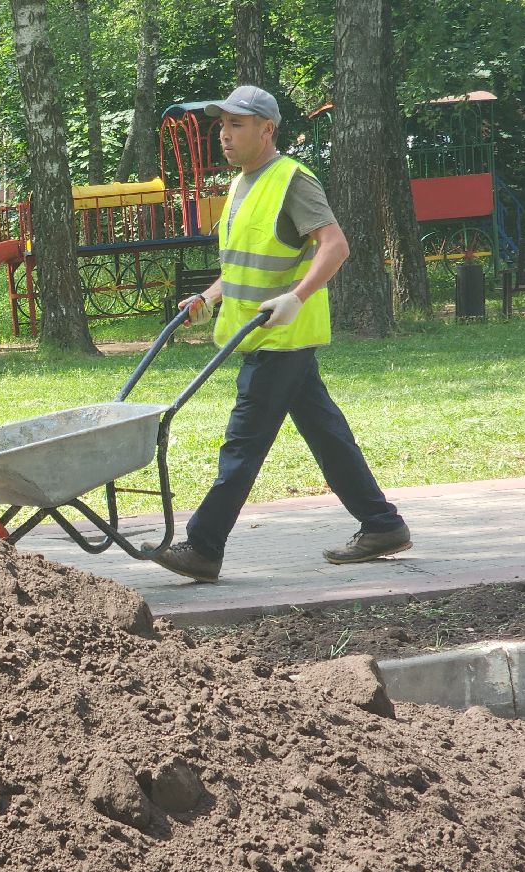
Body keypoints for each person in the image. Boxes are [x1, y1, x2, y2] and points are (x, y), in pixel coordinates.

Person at [152, 85, 412, 584]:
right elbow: (242, 265)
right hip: (260, 336)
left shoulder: (292, 180)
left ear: (267, 129)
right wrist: (209, 297)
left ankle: (204, 546)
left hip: (281, 339)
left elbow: (335, 246)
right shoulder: (241, 184)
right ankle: (382, 525)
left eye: (237, 125)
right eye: (222, 125)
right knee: (326, 434)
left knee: (242, 444)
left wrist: (297, 296)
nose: (225, 135)